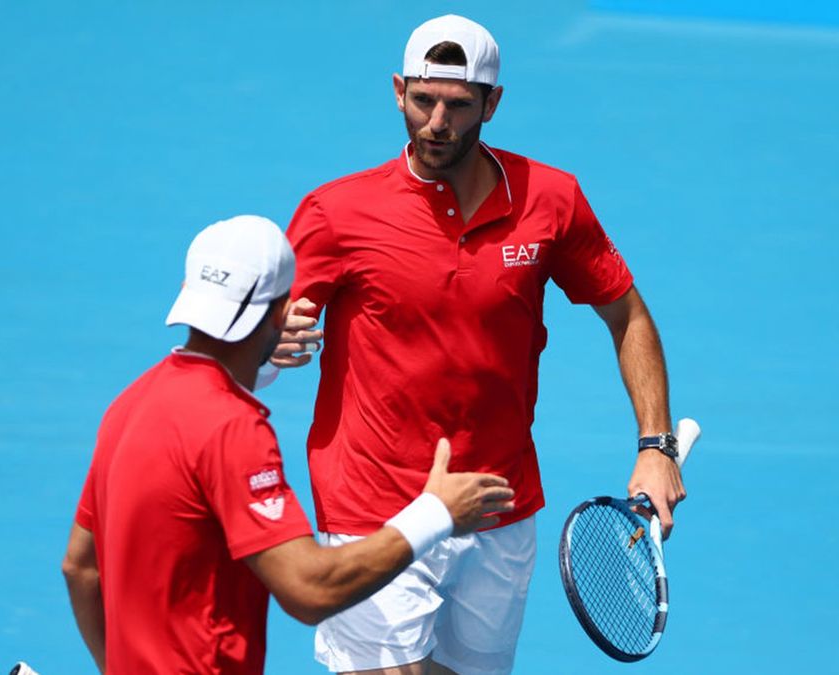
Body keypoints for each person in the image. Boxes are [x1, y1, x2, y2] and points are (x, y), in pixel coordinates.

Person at [271, 14, 687, 675]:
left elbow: (628, 315)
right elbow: (253, 344)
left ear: (493, 103)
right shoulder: (337, 212)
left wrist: (656, 446)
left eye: (459, 105)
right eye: (422, 100)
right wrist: (274, 348)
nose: (437, 121)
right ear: (398, 91)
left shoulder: (551, 199)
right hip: (375, 505)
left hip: (498, 505)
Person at [61, 215, 515, 674]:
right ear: (282, 315)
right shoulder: (230, 426)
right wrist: (435, 513)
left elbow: (80, 569)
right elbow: (309, 590)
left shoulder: (128, 404)